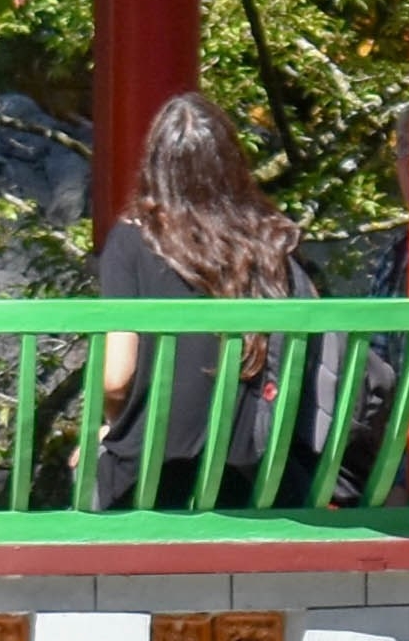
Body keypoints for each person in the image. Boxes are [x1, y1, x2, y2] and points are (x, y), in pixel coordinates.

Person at [89, 91, 297, 508]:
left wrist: (109, 428)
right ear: (232, 165)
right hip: (255, 477)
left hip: (152, 477)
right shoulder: (270, 240)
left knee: (89, 464)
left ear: (154, 167)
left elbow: (115, 378)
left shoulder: (131, 239)